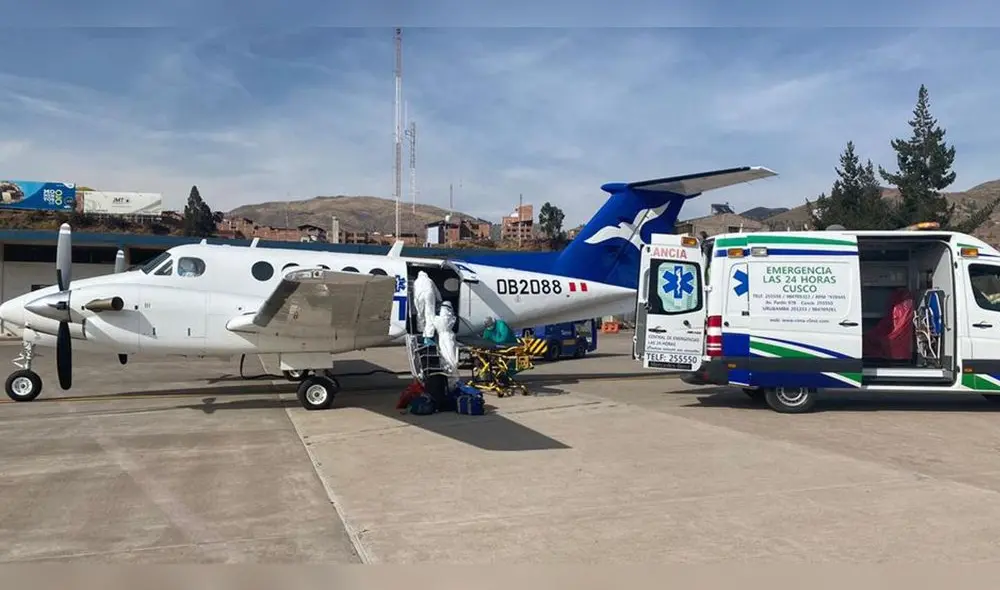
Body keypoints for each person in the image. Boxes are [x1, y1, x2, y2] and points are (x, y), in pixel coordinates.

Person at [431, 301, 460, 386]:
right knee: (448, 357)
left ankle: (454, 379)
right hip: (446, 337)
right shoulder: (451, 318)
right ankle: (452, 378)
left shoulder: (442, 319)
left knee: (450, 358)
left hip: (445, 337)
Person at [412, 271, 441, 342]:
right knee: (430, 315)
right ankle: (429, 335)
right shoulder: (429, 280)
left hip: (418, 296)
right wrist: (440, 299)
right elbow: (436, 291)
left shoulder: (416, 281)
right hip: (429, 295)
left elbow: (413, 291)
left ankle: (420, 331)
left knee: (420, 313)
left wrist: (414, 304)